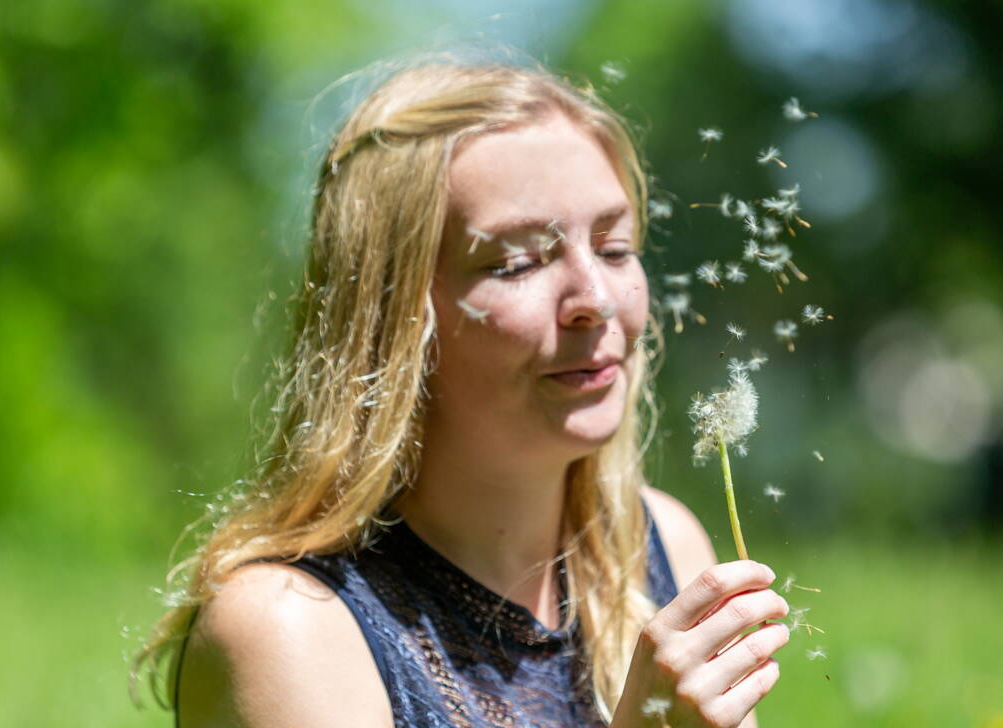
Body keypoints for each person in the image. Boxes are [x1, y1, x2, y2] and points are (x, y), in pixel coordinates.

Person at [134, 59, 789, 728]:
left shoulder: (660, 551)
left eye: (614, 247)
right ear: (394, 319)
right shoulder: (291, 629)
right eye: (517, 263)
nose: (595, 299)